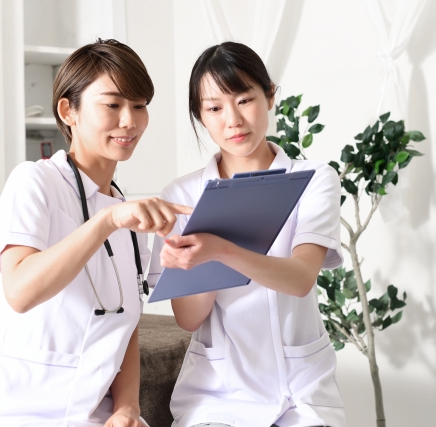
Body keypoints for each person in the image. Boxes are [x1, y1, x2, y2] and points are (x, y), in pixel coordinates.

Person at [0, 39, 191, 427]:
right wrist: (106, 222)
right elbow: (19, 292)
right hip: (16, 413)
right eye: (113, 105)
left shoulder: (125, 213)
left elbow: (123, 321)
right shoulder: (34, 182)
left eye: (139, 106)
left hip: (92, 414)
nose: (129, 121)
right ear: (68, 111)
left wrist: (127, 408)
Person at [147, 42, 347, 427]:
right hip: (217, 394)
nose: (233, 120)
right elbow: (189, 318)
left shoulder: (315, 179)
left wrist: (220, 249)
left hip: (301, 390)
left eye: (244, 100)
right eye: (214, 108)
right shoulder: (181, 196)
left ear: (270, 96)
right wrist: (194, 261)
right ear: (200, 115)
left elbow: (300, 279)